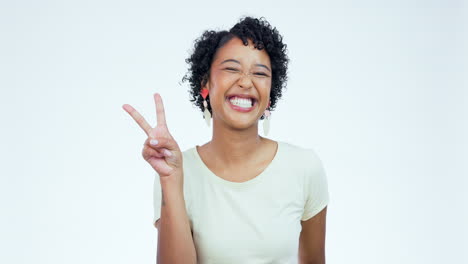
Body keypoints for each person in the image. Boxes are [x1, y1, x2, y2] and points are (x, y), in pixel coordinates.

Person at [123, 16, 330, 264]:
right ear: (205, 84)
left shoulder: (304, 167)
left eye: (260, 73)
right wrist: (171, 180)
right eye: (232, 69)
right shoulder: (175, 170)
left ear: (270, 94)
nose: (245, 82)